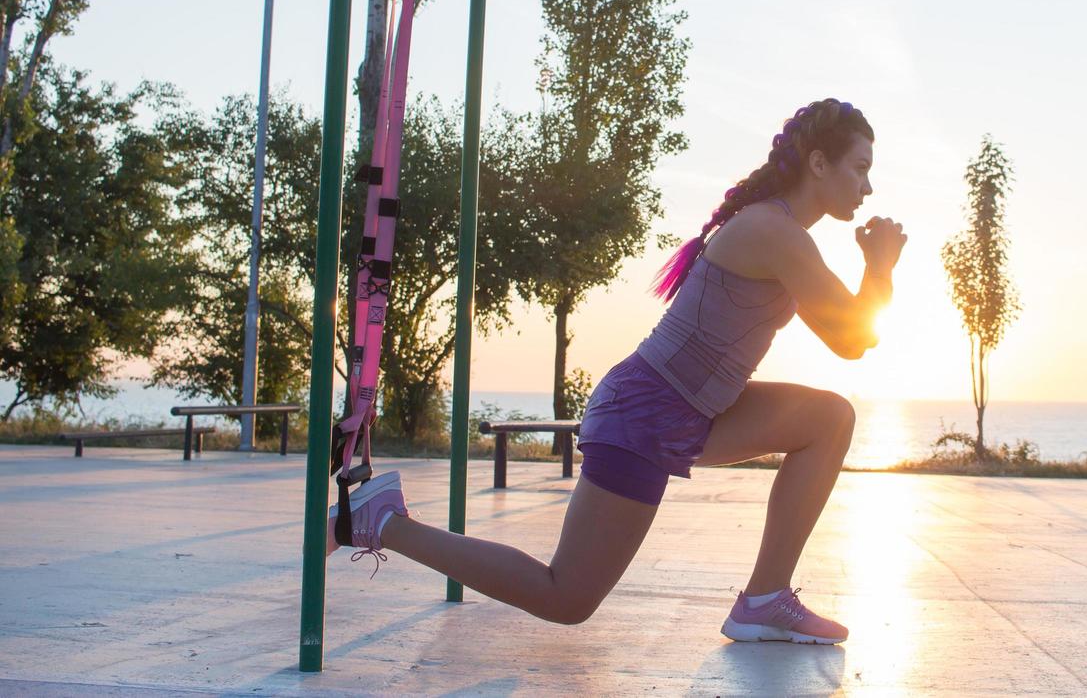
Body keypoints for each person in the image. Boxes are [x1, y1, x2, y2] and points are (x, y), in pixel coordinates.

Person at [327, 98, 907, 645]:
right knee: (566, 597)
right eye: (860, 168)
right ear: (818, 162)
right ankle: (382, 521)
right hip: (646, 411)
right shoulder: (773, 231)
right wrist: (879, 267)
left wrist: (875, 272)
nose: (867, 185)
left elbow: (851, 335)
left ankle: (763, 598)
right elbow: (852, 339)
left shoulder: (783, 232)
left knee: (829, 419)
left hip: (698, 409)